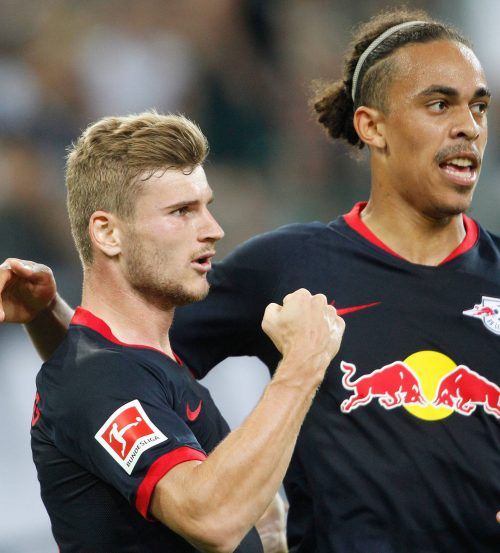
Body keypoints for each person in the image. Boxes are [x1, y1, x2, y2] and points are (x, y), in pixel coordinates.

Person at [1, 7, 500, 553]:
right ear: (371, 126)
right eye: (439, 104)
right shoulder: (289, 266)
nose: (469, 126)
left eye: (478, 106)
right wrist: (49, 317)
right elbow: (117, 362)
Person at [1, 112, 345, 553]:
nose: (213, 231)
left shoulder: (152, 368)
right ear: (107, 233)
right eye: (181, 212)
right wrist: (302, 364)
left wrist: (47, 313)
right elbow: (210, 519)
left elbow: (253, 521)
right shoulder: (96, 378)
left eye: (206, 206)